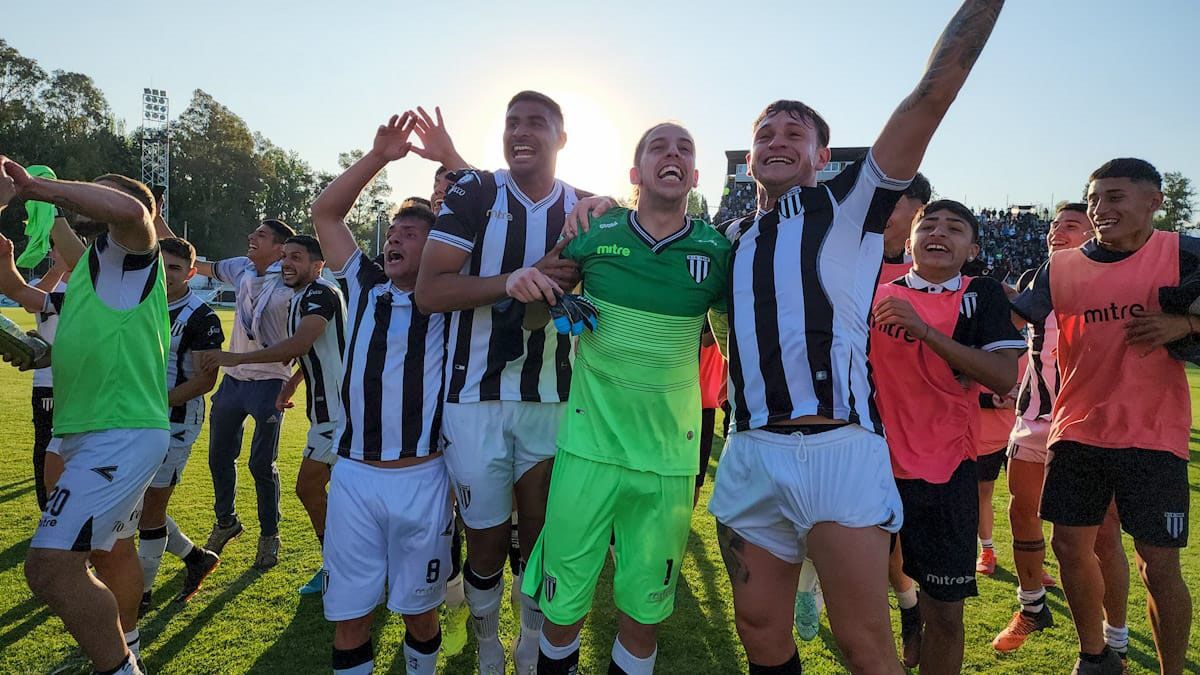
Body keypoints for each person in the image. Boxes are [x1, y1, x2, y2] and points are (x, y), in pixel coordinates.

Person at [705, 2, 1005, 672]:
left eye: (795, 132)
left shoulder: (849, 204)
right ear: (750, 155)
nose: (778, 139)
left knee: (863, 639)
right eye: (766, 133)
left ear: (821, 154)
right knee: (759, 629)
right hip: (751, 448)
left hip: (837, 448)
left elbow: (931, 95)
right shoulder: (733, 237)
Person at [520, 122, 729, 675]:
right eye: (658, 146)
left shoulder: (717, 250)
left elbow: (732, 341)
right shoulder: (594, 232)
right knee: (562, 609)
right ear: (636, 173)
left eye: (685, 148)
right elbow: (534, 313)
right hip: (589, 450)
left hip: (667, 460)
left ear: (695, 176)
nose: (673, 154)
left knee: (643, 613)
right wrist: (551, 293)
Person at [414, 90, 590, 675]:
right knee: (486, 540)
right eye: (512, 122)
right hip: (475, 400)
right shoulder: (475, 191)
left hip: (552, 398)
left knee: (540, 534)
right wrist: (514, 278)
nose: (521, 132)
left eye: (536, 123)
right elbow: (431, 291)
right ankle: (487, 637)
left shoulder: (589, 209)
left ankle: (531, 635)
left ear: (560, 138)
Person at [1012, 158, 1196, 675]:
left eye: (1115, 197)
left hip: (1154, 433)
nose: (1100, 209)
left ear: (1154, 201)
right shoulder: (1063, 266)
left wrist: (1183, 321)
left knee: (1158, 566)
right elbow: (1010, 319)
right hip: (1077, 429)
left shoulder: (1182, 252)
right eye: (1093, 199)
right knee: (1070, 545)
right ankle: (1095, 656)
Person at [0, 158, 167, 675]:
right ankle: (124, 653)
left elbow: (131, 209)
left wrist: (38, 188)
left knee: (49, 566)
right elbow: (44, 307)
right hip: (89, 429)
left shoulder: (133, 252)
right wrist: (32, 348)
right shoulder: (95, 271)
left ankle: (121, 666)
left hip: (120, 431)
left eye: (96, 191)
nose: (84, 196)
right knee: (105, 552)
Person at [311, 111, 456, 675]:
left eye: (410, 235)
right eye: (392, 234)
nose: (395, 239)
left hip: (423, 477)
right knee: (350, 617)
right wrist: (378, 159)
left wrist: (450, 173)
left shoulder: (451, 299)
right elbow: (325, 213)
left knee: (420, 615)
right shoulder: (364, 283)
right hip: (353, 477)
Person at [871, 199, 1024, 674]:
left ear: (973, 247)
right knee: (862, 606)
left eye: (954, 228)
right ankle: (905, 617)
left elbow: (1002, 376)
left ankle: (917, 619)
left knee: (947, 614)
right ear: (910, 241)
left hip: (947, 470)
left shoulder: (982, 294)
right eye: (928, 225)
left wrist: (924, 332)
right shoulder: (873, 294)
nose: (939, 233)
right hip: (871, 466)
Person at [993, 202, 1130, 657]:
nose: (1057, 230)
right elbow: (1015, 337)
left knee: (1102, 535)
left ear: (1093, 235)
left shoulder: (1108, 278)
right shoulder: (1038, 279)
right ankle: (1032, 607)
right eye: (1054, 224)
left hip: (1088, 424)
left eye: (1071, 224)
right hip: (1032, 421)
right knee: (1021, 514)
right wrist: (1004, 383)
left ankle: (1115, 640)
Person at [196, 234, 346, 595]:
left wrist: (237, 359)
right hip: (329, 411)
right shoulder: (302, 297)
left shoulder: (319, 293)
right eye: (285, 257)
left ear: (318, 265)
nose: (289, 264)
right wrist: (294, 382)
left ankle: (340, 568)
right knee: (340, 492)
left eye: (297, 257)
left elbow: (300, 344)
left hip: (342, 413)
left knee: (310, 486)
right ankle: (345, 566)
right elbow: (316, 348)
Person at [190, 218, 298, 568]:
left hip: (270, 381)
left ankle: (270, 535)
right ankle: (226, 522)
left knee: (261, 464)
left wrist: (292, 381)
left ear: (280, 247)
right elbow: (194, 261)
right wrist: (153, 218)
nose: (251, 237)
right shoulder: (242, 267)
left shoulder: (294, 279)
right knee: (219, 456)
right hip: (234, 379)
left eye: (261, 235)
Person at [136, 237, 224, 616]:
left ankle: (140, 594)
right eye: (160, 265)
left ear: (191, 273)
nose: (165, 274)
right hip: (133, 418)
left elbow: (206, 382)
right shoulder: (139, 303)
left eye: (174, 268)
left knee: (151, 511)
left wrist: (156, 404)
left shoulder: (201, 316)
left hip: (174, 420)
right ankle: (195, 557)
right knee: (136, 508)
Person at [28, 241, 71, 509]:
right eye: (60, 247)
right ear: (52, 252)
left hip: (85, 381)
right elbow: (29, 301)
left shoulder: (92, 283)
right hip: (49, 381)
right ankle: (47, 508)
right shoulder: (43, 283)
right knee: (46, 444)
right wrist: (58, 271)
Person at [879, 172, 932, 285]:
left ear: (919, 212)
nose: (877, 214)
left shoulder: (938, 263)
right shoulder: (852, 258)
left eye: (889, 206)